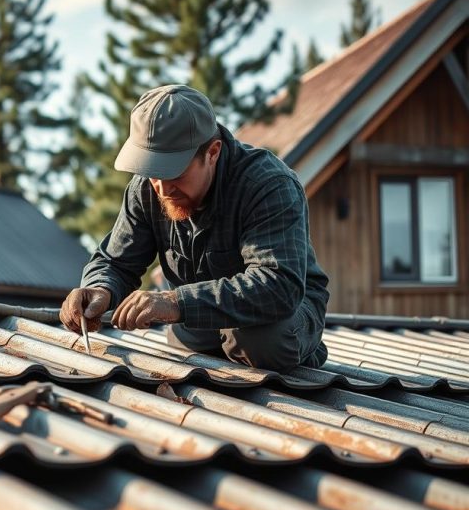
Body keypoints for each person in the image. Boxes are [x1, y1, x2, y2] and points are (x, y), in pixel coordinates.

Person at [59, 84, 329, 372]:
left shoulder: (268, 185)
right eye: (152, 172)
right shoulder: (146, 188)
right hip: (196, 322)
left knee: (262, 341)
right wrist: (99, 288)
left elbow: (277, 286)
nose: (162, 189)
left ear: (212, 152)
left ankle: (302, 345)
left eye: (174, 171)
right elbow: (116, 262)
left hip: (278, 315)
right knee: (189, 347)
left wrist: (175, 302)